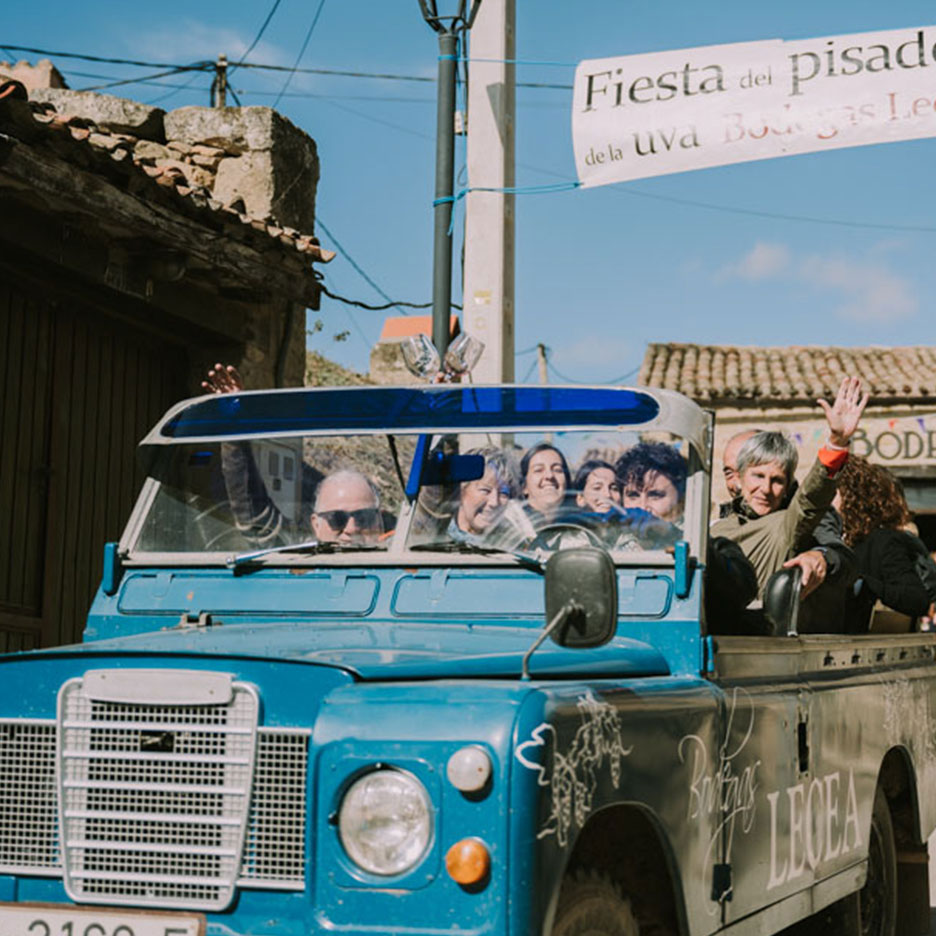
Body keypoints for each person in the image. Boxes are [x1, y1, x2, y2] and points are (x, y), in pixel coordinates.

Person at [711, 377, 868, 604]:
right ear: (740, 477)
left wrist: (836, 443)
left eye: (777, 481)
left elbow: (810, 500)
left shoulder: (787, 525)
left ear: (787, 488)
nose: (766, 489)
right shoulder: (717, 528)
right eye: (758, 476)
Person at [202, 363, 384, 548]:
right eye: (337, 519)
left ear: (378, 522)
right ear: (316, 524)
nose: (352, 529)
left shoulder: (396, 558)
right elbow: (255, 517)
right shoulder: (298, 558)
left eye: (364, 518)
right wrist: (234, 429)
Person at [836, 457, 936, 631]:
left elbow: (916, 599)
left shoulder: (883, 540)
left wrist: (865, 584)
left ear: (850, 497)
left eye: (834, 493)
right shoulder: (839, 538)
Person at [448, 448, 520, 545]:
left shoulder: (513, 544)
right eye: (485, 490)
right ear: (461, 489)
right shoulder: (434, 534)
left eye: (503, 493)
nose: (494, 502)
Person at [520, 443, 571, 524]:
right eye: (538, 470)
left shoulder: (579, 526)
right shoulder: (511, 525)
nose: (550, 475)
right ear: (524, 486)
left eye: (557, 470)